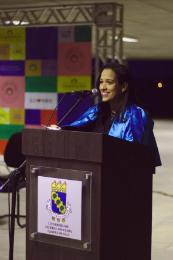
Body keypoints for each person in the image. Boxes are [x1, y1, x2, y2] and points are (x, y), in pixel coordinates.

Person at [53, 62, 161, 167]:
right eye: (101, 82)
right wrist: (62, 131)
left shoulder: (139, 117)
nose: (103, 87)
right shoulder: (96, 112)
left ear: (123, 87)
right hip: (92, 175)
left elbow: (147, 160)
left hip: (121, 178)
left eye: (109, 82)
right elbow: (79, 135)